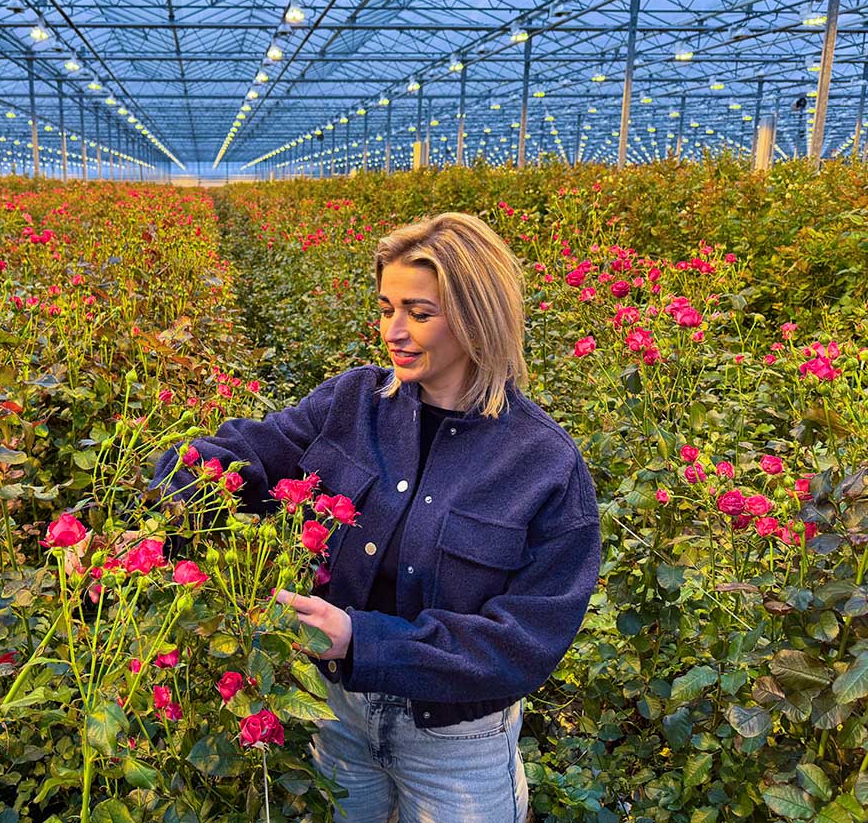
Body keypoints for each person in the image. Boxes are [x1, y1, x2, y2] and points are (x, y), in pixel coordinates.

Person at [151, 212, 601, 823]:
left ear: (478, 317)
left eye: (419, 312)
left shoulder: (543, 463)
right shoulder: (353, 403)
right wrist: (171, 497)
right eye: (386, 307)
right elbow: (250, 451)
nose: (394, 331)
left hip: (455, 739)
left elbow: (527, 640)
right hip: (334, 711)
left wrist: (365, 639)